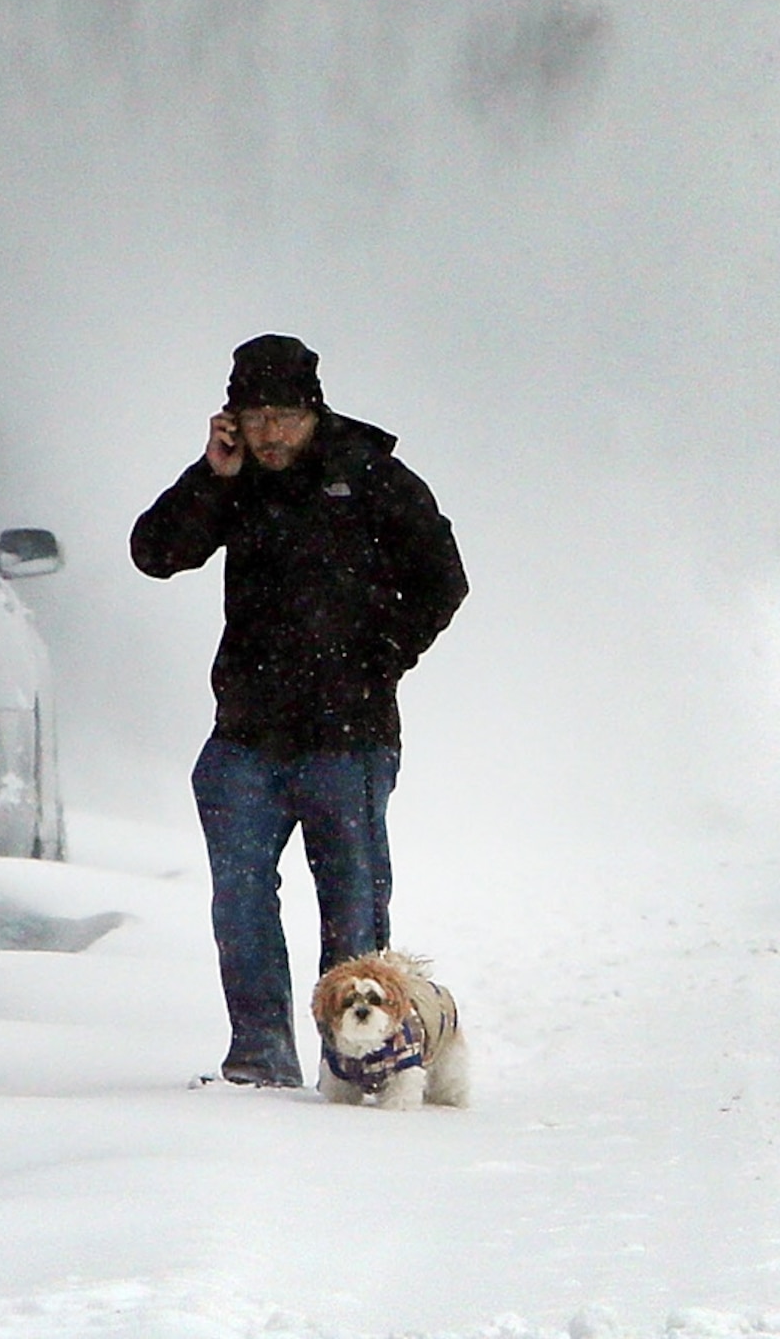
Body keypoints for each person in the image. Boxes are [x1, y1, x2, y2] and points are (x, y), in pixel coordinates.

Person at [131, 334, 468, 1088]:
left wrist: (378, 658)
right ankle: (259, 1061)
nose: (271, 434)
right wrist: (209, 478)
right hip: (246, 736)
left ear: (312, 411)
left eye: (283, 416)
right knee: (241, 900)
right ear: (231, 422)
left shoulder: (371, 475)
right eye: (255, 418)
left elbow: (444, 578)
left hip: (348, 739)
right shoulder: (234, 480)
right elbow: (155, 553)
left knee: (353, 907)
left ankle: (354, 1069)